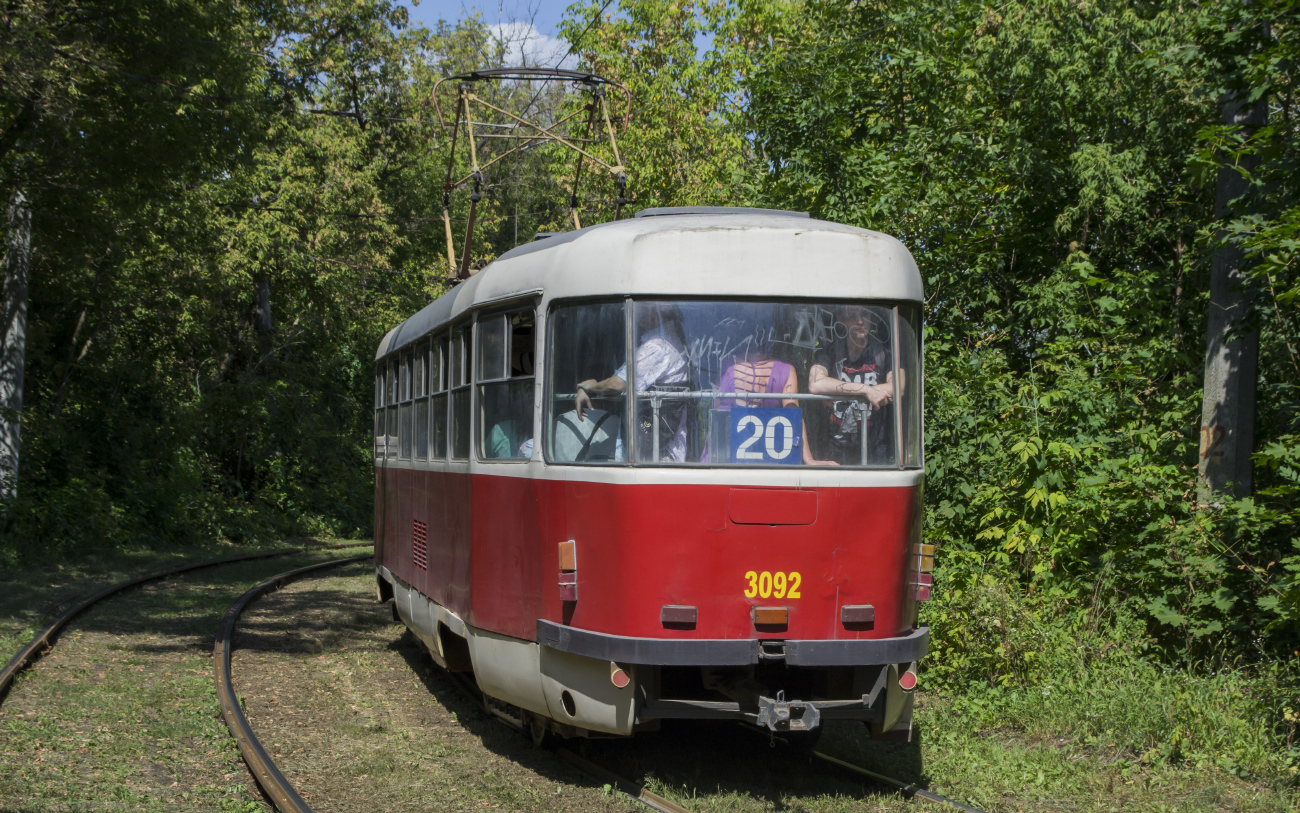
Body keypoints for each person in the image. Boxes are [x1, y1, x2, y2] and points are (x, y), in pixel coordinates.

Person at [575, 304, 689, 462]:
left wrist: (590, 386)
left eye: (644, 311)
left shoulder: (657, 347)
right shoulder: (670, 342)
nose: (639, 319)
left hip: (658, 455)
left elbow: (618, 385)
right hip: (659, 448)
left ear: (658, 314)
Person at [808, 305, 895, 464]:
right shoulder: (830, 351)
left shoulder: (883, 353)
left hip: (874, 451)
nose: (860, 321)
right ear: (841, 318)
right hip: (835, 449)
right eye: (852, 316)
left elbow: (898, 387)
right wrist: (865, 390)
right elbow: (815, 383)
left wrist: (836, 390)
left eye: (865, 314)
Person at [712, 355, 836, 465]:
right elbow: (792, 413)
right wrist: (809, 459)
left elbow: (716, 415)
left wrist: (809, 459)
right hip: (767, 460)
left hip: (722, 456)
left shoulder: (726, 364)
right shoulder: (785, 370)